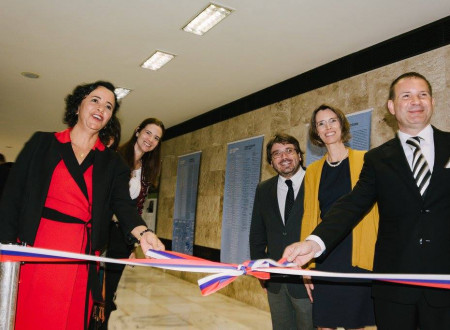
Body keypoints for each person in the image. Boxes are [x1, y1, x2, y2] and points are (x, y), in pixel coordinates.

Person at [283, 72, 450, 329]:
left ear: (433, 102)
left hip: (444, 284)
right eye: (406, 95)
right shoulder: (377, 159)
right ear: (392, 106)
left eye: (422, 94)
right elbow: (352, 204)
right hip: (394, 287)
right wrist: (314, 243)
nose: (416, 101)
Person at [0, 81, 165, 329]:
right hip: (37, 247)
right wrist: (6, 249)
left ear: (109, 118)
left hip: (80, 253)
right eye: (95, 100)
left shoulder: (113, 164)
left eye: (109, 106)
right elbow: (12, 198)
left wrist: (144, 233)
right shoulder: (42, 143)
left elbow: (123, 206)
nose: (101, 108)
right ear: (79, 106)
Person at [300, 104, 378, 329]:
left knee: (354, 323)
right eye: (321, 123)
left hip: (357, 253)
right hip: (325, 255)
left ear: (342, 125)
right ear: (316, 132)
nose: (328, 127)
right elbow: (310, 218)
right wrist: (307, 267)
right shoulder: (313, 171)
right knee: (324, 322)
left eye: (332, 120)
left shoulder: (367, 160)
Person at [103, 117, 165, 327]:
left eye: (156, 138)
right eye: (148, 133)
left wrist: (133, 243)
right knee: (94, 287)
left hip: (123, 236)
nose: (151, 140)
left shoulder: (147, 170)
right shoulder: (114, 158)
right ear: (138, 131)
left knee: (109, 291)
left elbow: (136, 208)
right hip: (103, 232)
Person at [249, 133, 313, 330]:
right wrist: (260, 271)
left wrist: (315, 271)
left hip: (308, 279)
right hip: (275, 280)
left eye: (289, 150)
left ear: (299, 155)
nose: (284, 157)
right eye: (276, 154)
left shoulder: (316, 180)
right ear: (271, 162)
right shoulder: (263, 189)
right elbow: (257, 233)